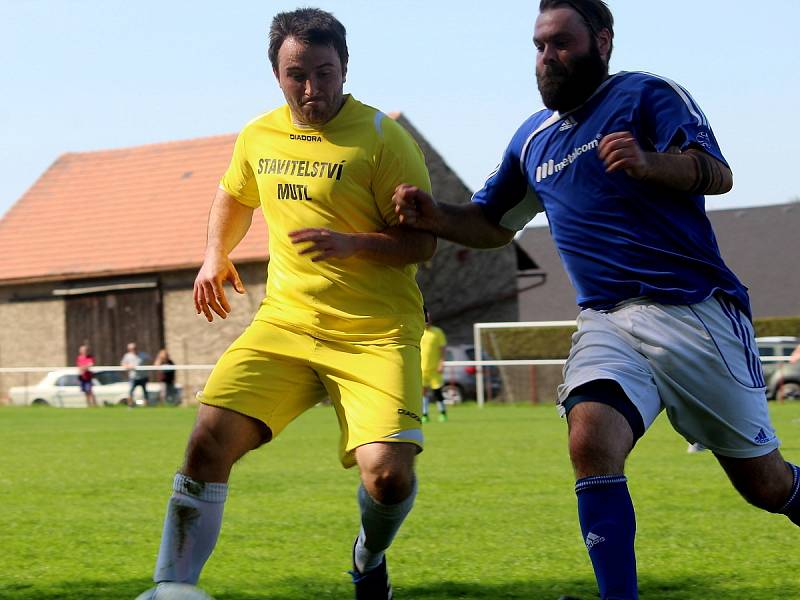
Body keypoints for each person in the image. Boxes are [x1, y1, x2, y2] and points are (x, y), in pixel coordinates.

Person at [392, 1, 799, 598]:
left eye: (561, 43)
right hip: (606, 320)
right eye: (538, 46)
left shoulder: (647, 95)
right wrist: (437, 216)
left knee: (765, 486)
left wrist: (649, 163)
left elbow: (717, 172)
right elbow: (491, 224)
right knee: (589, 440)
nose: (546, 58)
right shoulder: (531, 139)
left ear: (602, 41)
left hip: (694, 313)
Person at [140, 8, 434, 600]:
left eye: (325, 73)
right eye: (297, 74)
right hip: (286, 323)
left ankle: (368, 556)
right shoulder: (258, 135)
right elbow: (233, 193)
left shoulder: (383, 139)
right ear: (275, 72)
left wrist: (353, 243)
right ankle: (172, 589)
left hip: (374, 331)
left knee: (388, 477)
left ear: (345, 69)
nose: (312, 89)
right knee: (206, 441)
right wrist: (212, 255)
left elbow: (423, 243)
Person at [420, 307, 448, 423]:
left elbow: (442, 349)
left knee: (437, 391)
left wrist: (441, 363)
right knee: (423, 392)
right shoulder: (419, 331)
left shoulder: (437, 332)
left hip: (434, 368)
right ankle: (425, 414)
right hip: (421, 368)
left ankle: (442, 413)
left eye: (428, 318)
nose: (427, 320)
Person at [121, 342, 148, 407]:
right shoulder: (127, 356)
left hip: (143, 376)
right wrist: (129, 366)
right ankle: (130, 405)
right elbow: (123, 364)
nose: (134, 350)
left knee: (145, 392)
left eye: (135, 348)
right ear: (129, 349)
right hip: (133, 377)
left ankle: (146, 405)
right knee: (131, 391)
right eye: (132, 348)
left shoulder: (142, 354)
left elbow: (149, 359)